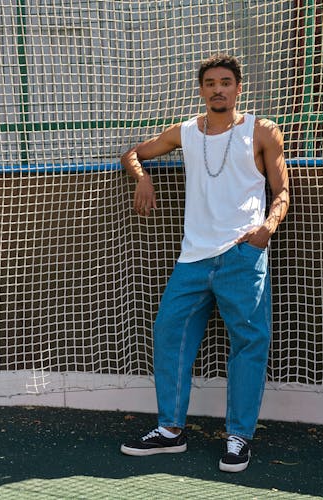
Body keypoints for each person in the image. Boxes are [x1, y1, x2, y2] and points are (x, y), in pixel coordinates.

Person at [118, 54, 290, 473]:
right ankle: (170, 430)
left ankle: (238, 437)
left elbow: (282, 189)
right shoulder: (186, 132)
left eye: (226, 82)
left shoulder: (261, 131)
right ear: (201, 89)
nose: (218, 89)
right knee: (169, 334)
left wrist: (266, 228)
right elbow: (133, 154)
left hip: (241, 256)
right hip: (192, 258)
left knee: (249, 345)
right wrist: (142, 176)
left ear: (238, 88)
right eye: (210, 82)